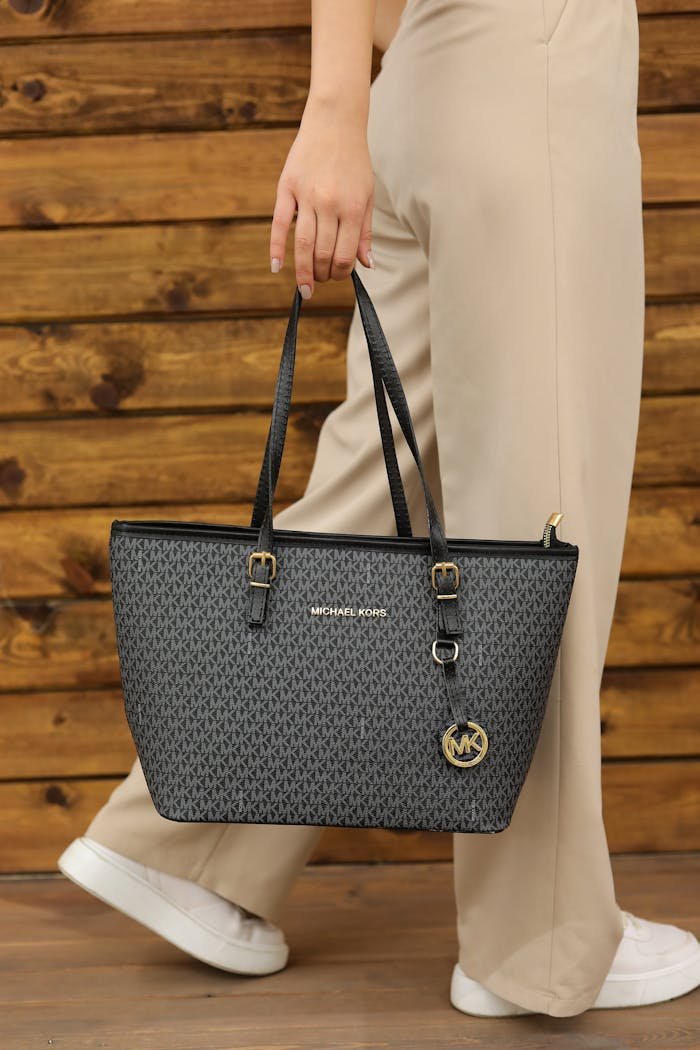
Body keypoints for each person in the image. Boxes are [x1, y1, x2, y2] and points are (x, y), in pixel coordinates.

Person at [58, 0, 700, 1017]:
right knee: (546, 512)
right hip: (526, 63)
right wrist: (330, 110)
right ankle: (536, 939)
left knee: (381, 490)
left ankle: (190, 846)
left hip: (424, 73)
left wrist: (351, 109)